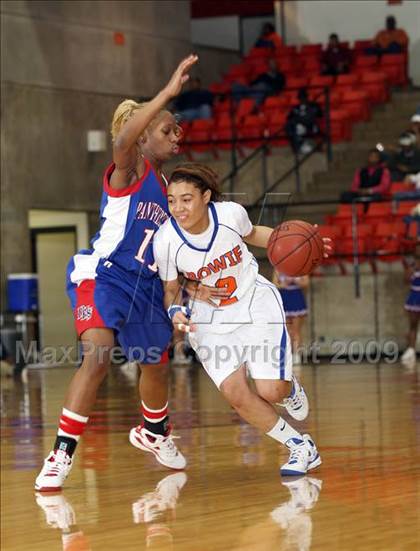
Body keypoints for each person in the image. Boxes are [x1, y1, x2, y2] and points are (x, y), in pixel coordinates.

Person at [34, 55, 227, 492]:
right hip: (105, 277)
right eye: (166, 129)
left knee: (157, 364)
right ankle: (61, 454)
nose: (176, 135)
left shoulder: (170, 192)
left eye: (177, 129)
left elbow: (167, 257)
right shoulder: (130, 166)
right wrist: (165, 93)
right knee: (98, 353)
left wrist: (197, 285)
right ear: (143, 138)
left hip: (146, 287)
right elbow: (124, 138)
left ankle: (153, 433)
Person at [153, 163, 332, 476]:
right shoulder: (165, 240)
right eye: (171, 200)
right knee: (236, 394)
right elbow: (170, 288)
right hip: (209, 319)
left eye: (186, 199)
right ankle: (300, 446)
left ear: (206, 196)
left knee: (271, 391)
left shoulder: (230, 215)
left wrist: (305, 243)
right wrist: (175, 310)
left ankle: (289, 391)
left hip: (253, 303)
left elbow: (253, 234)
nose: (178, 207)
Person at [272, 272, 309, 366]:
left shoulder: (302, 267)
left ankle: (296, 355)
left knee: (296, 331)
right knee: (287, 331)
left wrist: (296, 281)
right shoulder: (278, 268)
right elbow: (274, 283)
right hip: (284, 296)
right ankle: (287, 355)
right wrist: (284, 284)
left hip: (296, 296)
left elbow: (306, 283)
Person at [285, 88, 323, 155]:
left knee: (297, 126)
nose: (302, 100)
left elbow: (320, 115)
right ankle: (298, 147)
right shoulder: (296, 108)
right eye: (300, 98)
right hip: (298, 127)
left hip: (310, 125)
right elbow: (289, 118)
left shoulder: (313, 106)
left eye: (303, 97)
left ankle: (304, 146)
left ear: (307, 97)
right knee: (291, 126)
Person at [401, 241, 420, 366]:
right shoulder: (412, 266)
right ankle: (411, 350)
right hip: (414, 296)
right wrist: (412, 270)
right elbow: (406, 281)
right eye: (417, 249)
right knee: (413, 325)